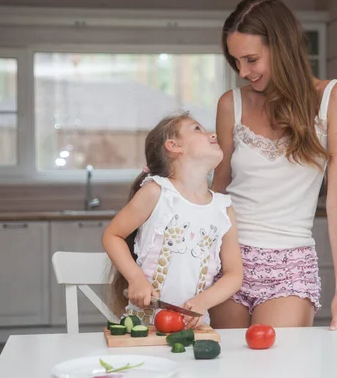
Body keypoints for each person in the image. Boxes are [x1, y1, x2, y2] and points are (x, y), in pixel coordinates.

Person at [210, 0, 337, 332]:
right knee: (225, 365)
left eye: (251, 59)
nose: (243, 72)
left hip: (291, 263)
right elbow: (218, 191)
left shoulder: (335, 97)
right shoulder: (231, 104)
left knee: (275, 365)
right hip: (227, 257)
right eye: (236, 61)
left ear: (281, 47)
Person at [103, 113, 243, 328]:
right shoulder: (156, 192)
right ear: (174, 146)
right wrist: (135, 279)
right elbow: (113, 235)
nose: (213, 134)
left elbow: (234, 274)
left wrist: (203, 302)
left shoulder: (223, 208)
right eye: (197, 129)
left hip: (194, 327)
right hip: (144, 325)